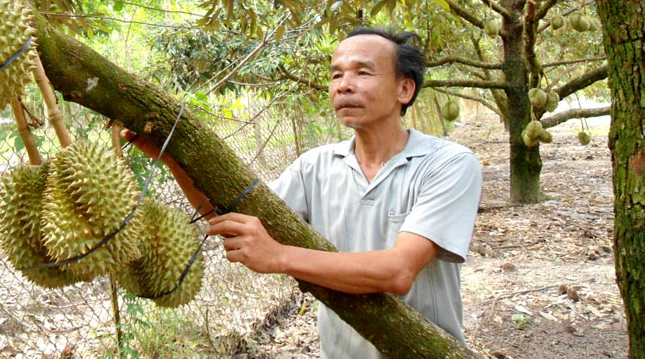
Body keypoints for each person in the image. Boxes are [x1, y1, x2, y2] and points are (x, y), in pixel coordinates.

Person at [124, 26, 482, 357]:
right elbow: (231, 220)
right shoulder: (316, 166)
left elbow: (398, 272)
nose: (344, 84)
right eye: (336, 74)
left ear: (405, 89)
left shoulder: (447, 164)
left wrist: (279, 256)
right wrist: (173, 161)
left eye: (362, 72)